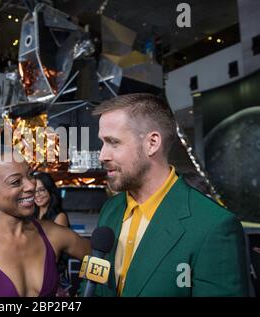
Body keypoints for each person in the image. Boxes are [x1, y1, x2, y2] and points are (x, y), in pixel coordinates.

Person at [86, 93, 249, 297]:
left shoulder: (213, 226)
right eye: (102, 143)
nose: (102, 155)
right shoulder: (111, 209)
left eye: (113, 142)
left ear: (152, 143)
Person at [0, 140, 90, 297]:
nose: (31, 186)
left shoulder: (54, 235)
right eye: (15, 182)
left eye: (30, 175)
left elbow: (106, 264)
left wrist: (84, 291)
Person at [33, 171, 72, 296]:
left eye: (41, 190)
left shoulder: (59, 217)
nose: (37, 195)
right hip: (35, 275)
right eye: (34, 191)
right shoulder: (32, 215)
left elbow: (53, 256)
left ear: (50, 191)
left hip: (53, 278)